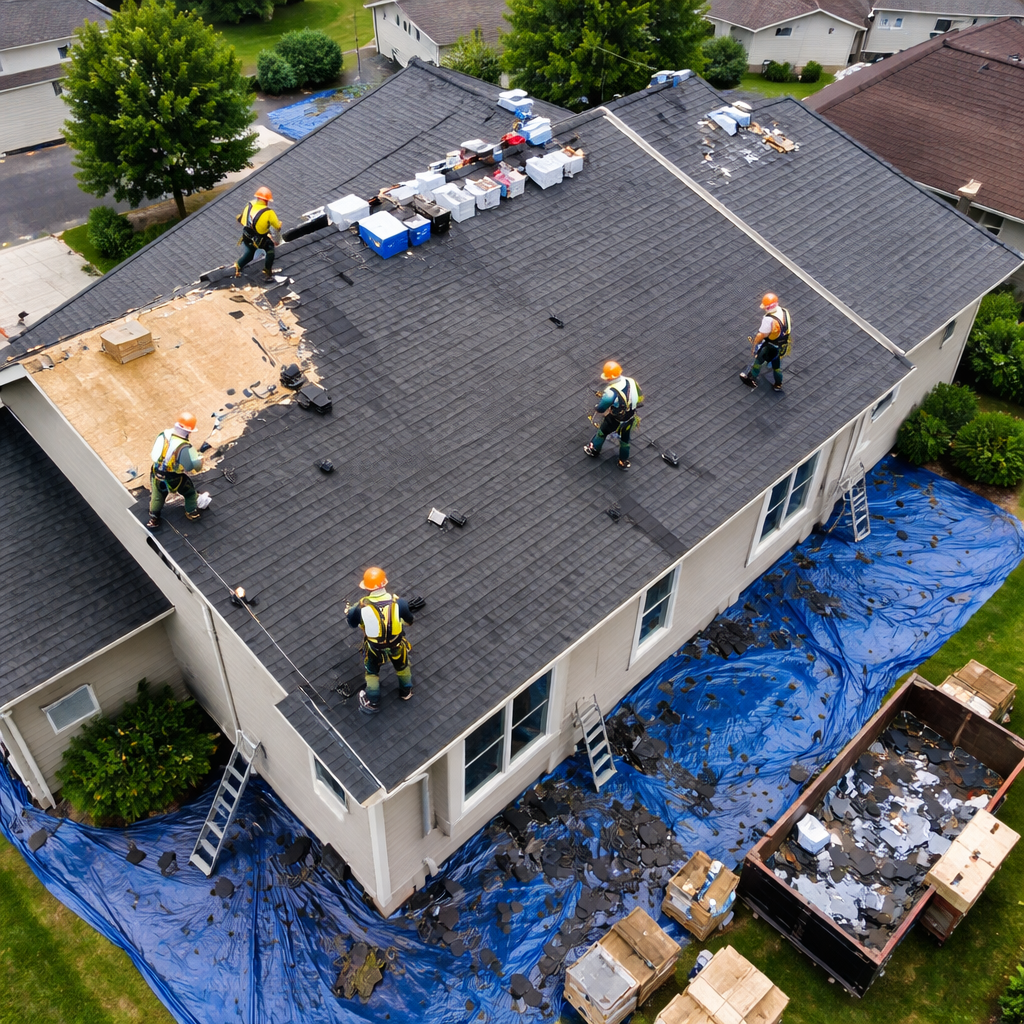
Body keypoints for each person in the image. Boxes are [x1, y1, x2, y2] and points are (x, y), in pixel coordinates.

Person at [346, 567, 414, 715]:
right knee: (403, 667)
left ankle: (373, 702)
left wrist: (352, 613)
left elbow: (352, 623)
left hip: (374, 648)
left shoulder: (360, 607)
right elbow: (409, 622)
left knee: (372, 673)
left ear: (367, 587)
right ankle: (406, 692)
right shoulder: (399, 602)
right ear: (384, 583)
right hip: (397, 644)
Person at [583, 360, 643, 470]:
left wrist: (597, 407)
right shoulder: (631, 381)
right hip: (630, 418)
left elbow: (601, 408)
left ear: (609, 378)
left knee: (602, 432)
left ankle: (594, 449)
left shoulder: (611, 392)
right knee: (625, 441)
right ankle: (623, 461)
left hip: (615, 420)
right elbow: (640, 397)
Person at [147, 413, 203, 529]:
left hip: (156, 473)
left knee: (157, 496)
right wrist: (199, 460)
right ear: (189, 431)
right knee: (190, 493)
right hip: (173, 478)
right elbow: (190, 467)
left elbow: (154, 455)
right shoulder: (184, 447)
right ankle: (191, 512)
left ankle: (153, 518)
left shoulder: (163, 435)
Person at [740, 293, 791, 392]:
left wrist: (754, 345)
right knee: (776, 366)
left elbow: (761, 335)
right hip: (782, 344)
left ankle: (752, 378)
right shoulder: (784, 311)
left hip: (771, 346)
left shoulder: (769, 319)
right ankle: (778, 384)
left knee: (758, 361)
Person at [235, 186, 282, 278]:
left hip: (246, 235)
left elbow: (241, 219)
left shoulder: (249, 205)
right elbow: (277, 227)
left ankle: (238, 265)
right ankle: (267, 270)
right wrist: (279, 224)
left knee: (251, 253)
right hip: (259, 239)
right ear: (267, 200)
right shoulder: (269, 212)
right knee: (270, 250)